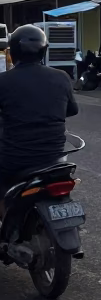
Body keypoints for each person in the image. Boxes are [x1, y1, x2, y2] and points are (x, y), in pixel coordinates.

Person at [0, 25, 79, 203]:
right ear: (43, 50)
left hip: (16, 159)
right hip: (56, 156)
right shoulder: (62, 76)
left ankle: (7, 223)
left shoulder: (3, 81)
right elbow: (72, 110)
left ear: (13, 53)